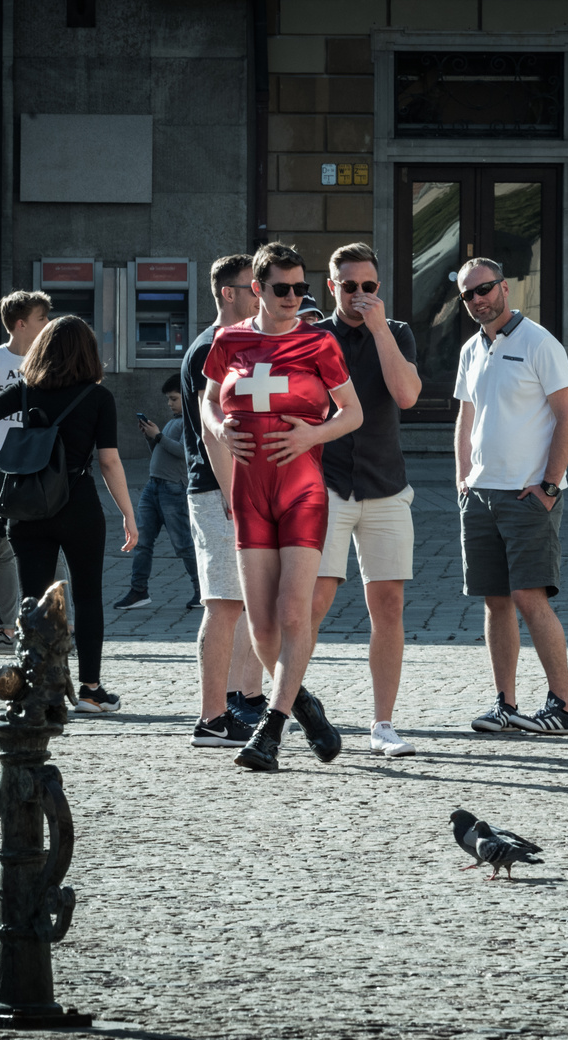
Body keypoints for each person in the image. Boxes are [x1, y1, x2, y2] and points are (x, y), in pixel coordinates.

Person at [203, 241, 363, 770]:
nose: (294, 297)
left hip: (301, 491)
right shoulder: (228, 342)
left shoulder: (319, 344)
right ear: (258, 290)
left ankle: (270, 730)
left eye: (300, 288)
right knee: (262, 625)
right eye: (282, 289)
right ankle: (305, 705)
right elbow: (206, 400)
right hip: (250, 493)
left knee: (293, 612)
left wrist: (311, 434)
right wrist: (220, 427)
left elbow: (353, 413)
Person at [0, 315, 138, 713]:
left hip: (29, 507)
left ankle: (37, 688)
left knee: (34, 601)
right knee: (87, 596)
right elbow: (110, 462)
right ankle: (91, 690)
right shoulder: (98, 398)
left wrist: (1, 463)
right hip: (78, 505)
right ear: (89, 353)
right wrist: (129, 515)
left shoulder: (27, 390)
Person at [453, 257, 568, 736]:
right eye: (468, 295)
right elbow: (467, 419)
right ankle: (505, 703)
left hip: (528, 494)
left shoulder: (540, 343)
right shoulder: (471, 349)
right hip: (481, 495)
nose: (477, 300)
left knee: (530, 599)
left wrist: (549, 485)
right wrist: (463, 480)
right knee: (496, 603)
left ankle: (564, 707)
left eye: (484, 289)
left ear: (506, 288)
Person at [312, 242, 422, 757]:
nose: (360, 295)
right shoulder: (311, 337)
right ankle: (292, 706)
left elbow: (406, 396)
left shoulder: (396, 333)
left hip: (385, 486)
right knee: (312, 602)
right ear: (331, 286)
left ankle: (382, 723)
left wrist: (379, 330)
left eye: (369, 286)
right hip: (326, 485)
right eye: (349, 285)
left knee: (390, 605)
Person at [180, 254, 268, 750]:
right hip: (219, 489)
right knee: (223, 603)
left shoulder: (241, 343)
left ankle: (239, 699)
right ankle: (212, 718)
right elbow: (214, 430)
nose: (261, 296)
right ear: (229, 293)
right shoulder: (211, 346)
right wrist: (234, 491)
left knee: (242, 601)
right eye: (252, 289)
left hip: (238, 488)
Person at [0, 290, 53, 653]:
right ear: (21, 324)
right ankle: (7, 630)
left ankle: (57, 627)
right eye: (41, 318)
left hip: (40, 470)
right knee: (3, 551)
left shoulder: (51, 361)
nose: (47, 324)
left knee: (54, 548)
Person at [115, 374, 201, 610]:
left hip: (173, 489)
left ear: (187, 397)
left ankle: (201, 590)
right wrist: (152, 439)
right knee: (141, 541)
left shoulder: (192, 422)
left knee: (183, 543)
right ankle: (138, 590)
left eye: (174, 398)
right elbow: (161, 452)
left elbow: (185, 452)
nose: (169, 403)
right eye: (168, 399)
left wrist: (159, 436)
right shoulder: (175, 421)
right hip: (153, 487)